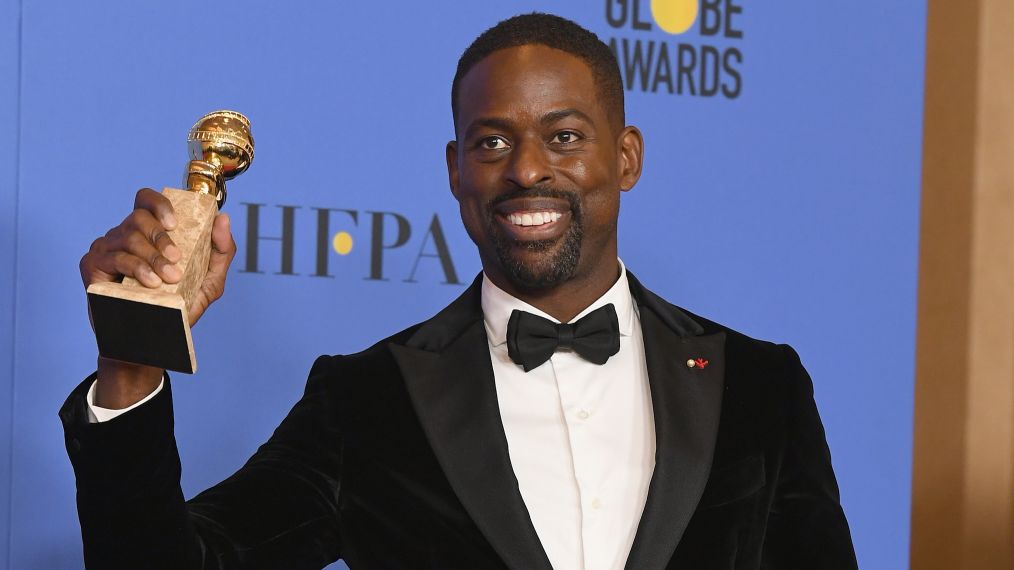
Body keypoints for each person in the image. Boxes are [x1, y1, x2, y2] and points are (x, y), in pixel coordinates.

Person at [63, 13, 857, 570]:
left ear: (626, 158)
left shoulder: (761, 387)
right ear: (454, 170)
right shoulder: (368, 399)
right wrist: (133, 359)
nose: (527, 168)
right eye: (493, 141)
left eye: (565, 136)